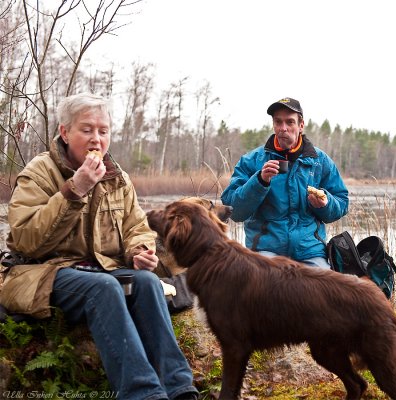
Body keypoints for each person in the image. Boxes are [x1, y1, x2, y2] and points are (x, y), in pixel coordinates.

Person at [0, 93, 198, 400]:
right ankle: (142, 393)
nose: (97, 139)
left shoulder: (117, 177)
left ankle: (180, 388)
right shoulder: (40, 173)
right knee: (103, 288)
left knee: (146, 282)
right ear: (65, 132)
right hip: (42, 273)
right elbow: (26, 238)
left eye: (103, 131)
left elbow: (136, 227)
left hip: (100, 269)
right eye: (87, 130)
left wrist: (140, 252)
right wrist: (74, 190)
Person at [221, 97, 349, 268]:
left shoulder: (320, 162)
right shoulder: (252, 161)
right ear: (273, 124)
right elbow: (234, 211)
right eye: (278, 122)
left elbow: (342, 203)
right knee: (264, 287)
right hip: (265, 251)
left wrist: (325, 203)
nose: (283, 128)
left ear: (301, 125)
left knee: (324, 288)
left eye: (290, 122)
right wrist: (260, 181)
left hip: (310, 252)